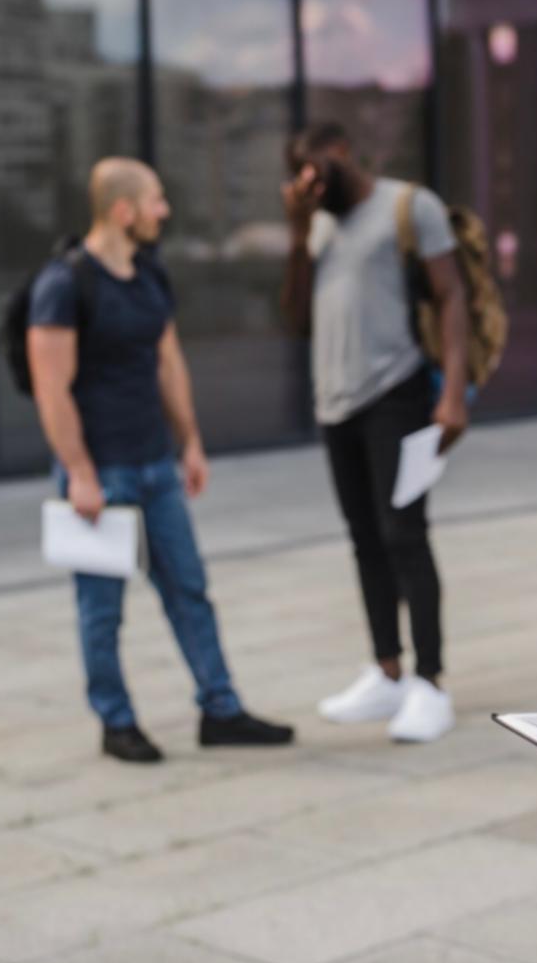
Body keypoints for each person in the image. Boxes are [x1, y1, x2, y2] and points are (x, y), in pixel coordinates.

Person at [28, 156, 295, 763]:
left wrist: (190, 441)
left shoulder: (150, 274)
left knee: (189, 589)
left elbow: (168, 361)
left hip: (155, 464)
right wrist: (81, 473)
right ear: (124, 210)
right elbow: (51, 389)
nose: (164, 211)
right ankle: (116, 722)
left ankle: (220, 710)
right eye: (156, 200)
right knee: (102, 609)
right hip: (101, 473)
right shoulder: (64, 284)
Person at [280, 123, 471, 744]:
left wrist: (451, 395)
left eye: (312, 171)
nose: (307, 184)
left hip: (397, 392)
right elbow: (296, 317)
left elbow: (451, 297)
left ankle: (430, 682)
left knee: (404, 536)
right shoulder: (317, 222)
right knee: (364, 539)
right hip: (335, 404)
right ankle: (386, 670)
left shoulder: (407, 205)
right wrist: (295, 230)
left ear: (338, 155)